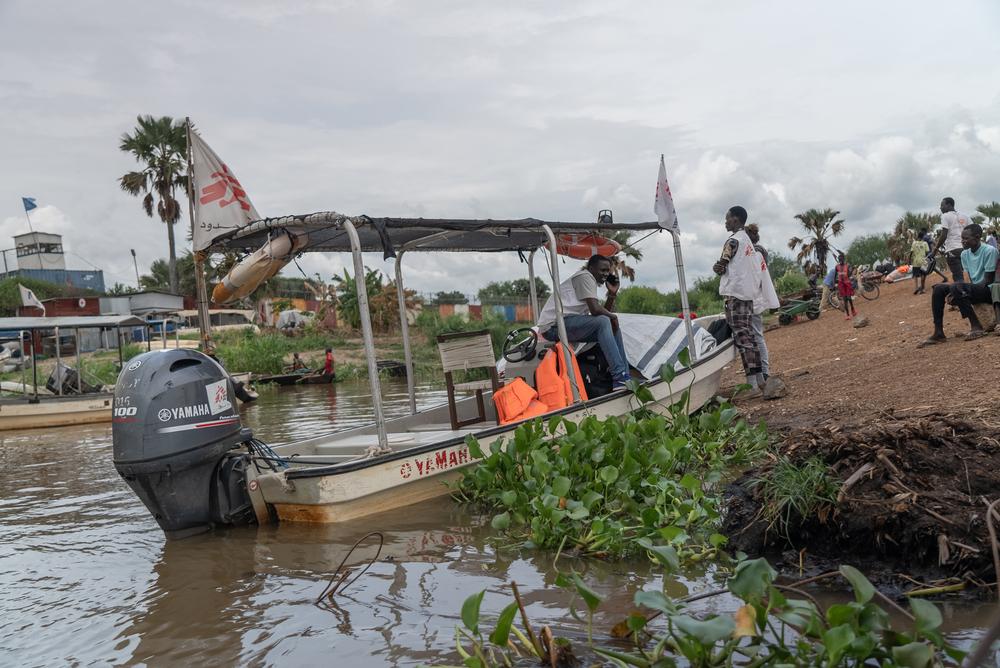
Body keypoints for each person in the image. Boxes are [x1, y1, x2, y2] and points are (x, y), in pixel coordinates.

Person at [535, 254, 630, 390]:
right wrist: (613, 317)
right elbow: (597, 311)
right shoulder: (585, 277)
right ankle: (619, 376)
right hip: (553, 326)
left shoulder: (589, 281)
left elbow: (600, 315)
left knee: (613, 327)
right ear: (591, 268)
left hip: (567, 323)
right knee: (606, 320)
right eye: (602, 270)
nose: (605, 274)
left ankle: (625, 377)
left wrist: (612, 294)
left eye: (607, 271)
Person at [920, 224, 998, 346]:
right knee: (939, 288)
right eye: (962, 238)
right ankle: (939, 332)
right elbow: (968, 279)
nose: (962, 241)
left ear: (977, 237)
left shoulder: (989, 251)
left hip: (988, 290)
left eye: (966, 238)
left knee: (957, 286)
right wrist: (958, 291)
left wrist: (960, 290)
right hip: (975, 288)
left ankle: (976, 326)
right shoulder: (965, 254)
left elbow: (987, 280)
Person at [714, 206, 765, 392]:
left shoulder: (733, 241)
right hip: (748, 295)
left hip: (735, 296)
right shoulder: (748, 243)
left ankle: (752, 386)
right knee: (750, 337)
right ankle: (760, 381)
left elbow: (722, 264)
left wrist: (717, 267)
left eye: (727, 219)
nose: (725, 222)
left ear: (735, 220)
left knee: (743, 339)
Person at [745, 223, 779, 380]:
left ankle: (762, 373)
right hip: (756, 299)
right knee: (757, 336)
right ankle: (762, 372)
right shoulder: (760, 251)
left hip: (752, 300)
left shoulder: (753, 253)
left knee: (755, 338)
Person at [931, 197, 971, 283]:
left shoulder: (945, 216)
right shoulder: (965, 216)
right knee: (972, 273)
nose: (940, 207)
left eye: (942, 205)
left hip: (952, 250)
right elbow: (974, 229)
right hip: (966, 249)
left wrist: (935, 249)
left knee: (958, 277)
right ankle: (976, 292)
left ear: (949, 205)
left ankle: (961, 294)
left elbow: (944, 234)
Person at [834, 253, 857, 319]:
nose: (840, 260)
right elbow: (835, 276)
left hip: (847, 283)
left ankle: (853, 309)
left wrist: (852, 269)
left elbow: (849, 275)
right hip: (841, 284)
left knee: (849, 298)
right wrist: (834, 283)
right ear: (838, 260)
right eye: (839, 259)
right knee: (845, 299)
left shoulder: (847, 266)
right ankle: (847, 315)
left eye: (841, 259)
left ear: (843, 259)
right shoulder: (837, 267)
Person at [910, 228, 931, 295]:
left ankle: (916, 288)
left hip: (915, 262)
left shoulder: (914, 243)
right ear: (923, 237)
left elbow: (911, 253)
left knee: (915, 275)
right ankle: (923, 288)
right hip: (923, 261)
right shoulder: (925, 243)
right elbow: (927, 252)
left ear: (917, 236)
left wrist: (909, 260)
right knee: (923, 275)